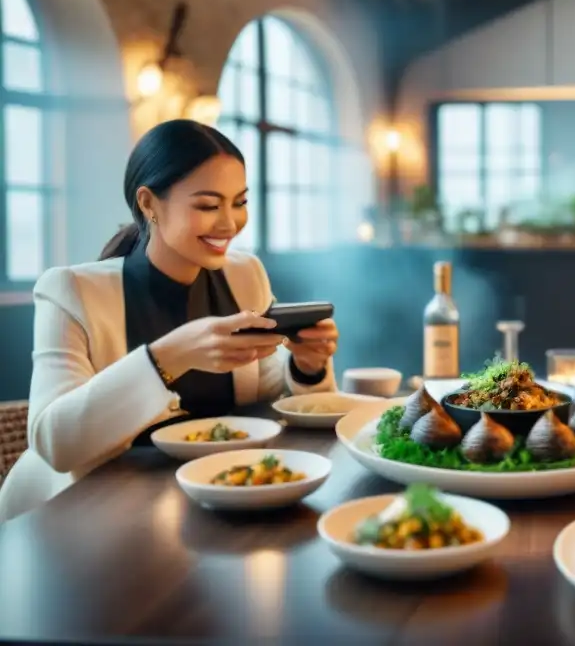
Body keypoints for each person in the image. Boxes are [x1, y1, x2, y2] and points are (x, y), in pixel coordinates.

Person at [0, 120, 338, 523]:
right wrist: (169, 357)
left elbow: (264, 394)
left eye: (240, 202)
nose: (230, 223)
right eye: (209, 205)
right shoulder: (70, 290)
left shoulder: (244, 274)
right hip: (85, 518)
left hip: (208, 502)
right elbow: (55, 444)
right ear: (148, 203)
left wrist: (306, 366)